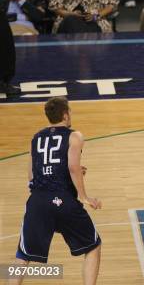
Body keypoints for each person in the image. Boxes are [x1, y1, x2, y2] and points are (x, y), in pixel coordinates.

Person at [10, 97, 101, 285]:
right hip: (64, 201)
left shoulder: (36, 137)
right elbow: (73, 167)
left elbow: (31, 175)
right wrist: (84, 197)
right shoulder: (74, 135)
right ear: (65, 114)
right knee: (93, 246)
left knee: (22, 254)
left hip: (38, 201)